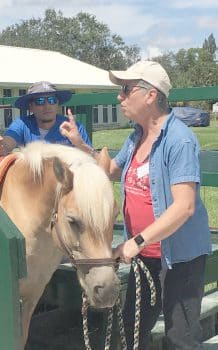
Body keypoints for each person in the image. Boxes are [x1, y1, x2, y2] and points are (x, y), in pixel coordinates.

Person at [61, 60, 212, 349]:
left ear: (150, 95)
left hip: (178, 258)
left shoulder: (179, 140)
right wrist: (81, 146)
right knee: (130, 333)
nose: (120, 97)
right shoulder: (136, 137)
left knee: (180, 339)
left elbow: (185, 207)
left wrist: (137, 242)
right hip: (145, 256)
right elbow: (108, 172)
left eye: (126, 90)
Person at [0, 81, 94, 156]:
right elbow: (7, 143)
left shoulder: (74, 128)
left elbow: (91, 159)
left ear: (58, 104)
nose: (47, 106)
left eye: (52, 100)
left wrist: (80, 144)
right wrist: (0, 147)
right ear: (31, 107)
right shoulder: (23, 124)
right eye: (40, 101)